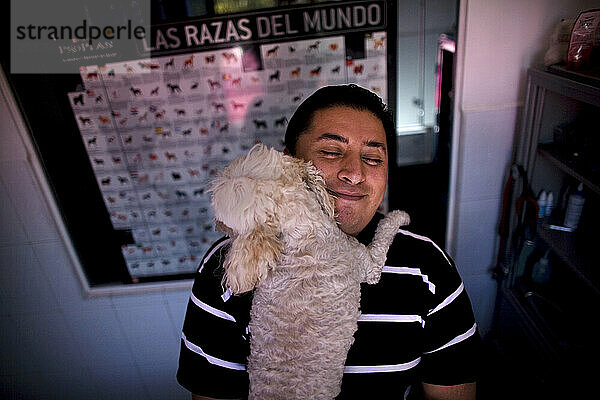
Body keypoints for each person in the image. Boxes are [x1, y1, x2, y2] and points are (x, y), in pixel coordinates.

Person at [177, 84, 481, 399]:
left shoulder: (427, 266)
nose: (354, 173)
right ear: (289, 163)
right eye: (332, 152)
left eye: (373, 158)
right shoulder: (225, 267)